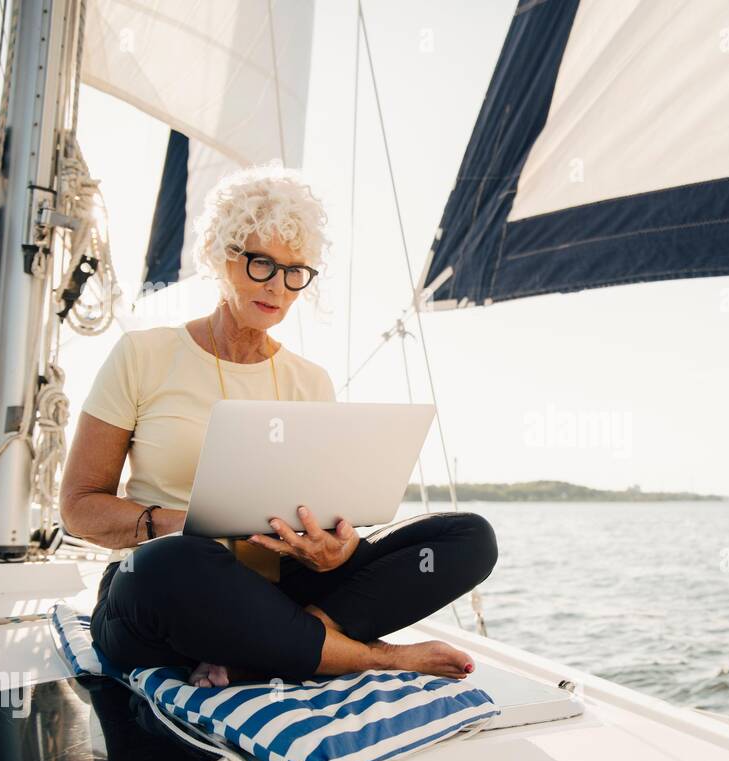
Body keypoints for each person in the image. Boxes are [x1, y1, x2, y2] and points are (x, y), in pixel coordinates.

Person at [59, 165, 496, 688]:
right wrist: (189, 525)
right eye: (262, 264)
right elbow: (79, 508)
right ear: (222, 258)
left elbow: (327, 515)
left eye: (296, 272)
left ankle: (284, 647)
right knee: (168, 565)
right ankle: (374, 657)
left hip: (275, 588)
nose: (279, 287)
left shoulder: (310, 381)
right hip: (164, 591)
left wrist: (336, 549)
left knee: (468, 537)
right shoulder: (143, 354)